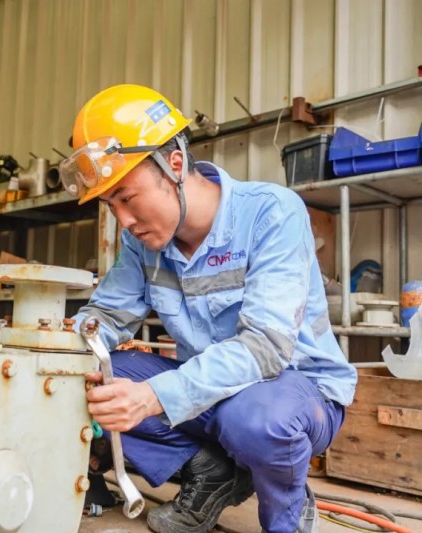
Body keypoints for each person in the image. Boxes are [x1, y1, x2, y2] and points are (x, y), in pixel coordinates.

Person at [63, 84, 357, 533]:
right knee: (93, 379)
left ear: (174, 164)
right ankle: (211, 471)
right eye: (110, 205)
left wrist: (154, 396)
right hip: (207, 391)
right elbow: (106, 318)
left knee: (255, 420)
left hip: (293, 391)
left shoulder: (272, 213)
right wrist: (59, 343)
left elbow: (265, 349)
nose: (124, 220)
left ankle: (288, 513)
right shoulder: (140, 243)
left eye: (127, 197)